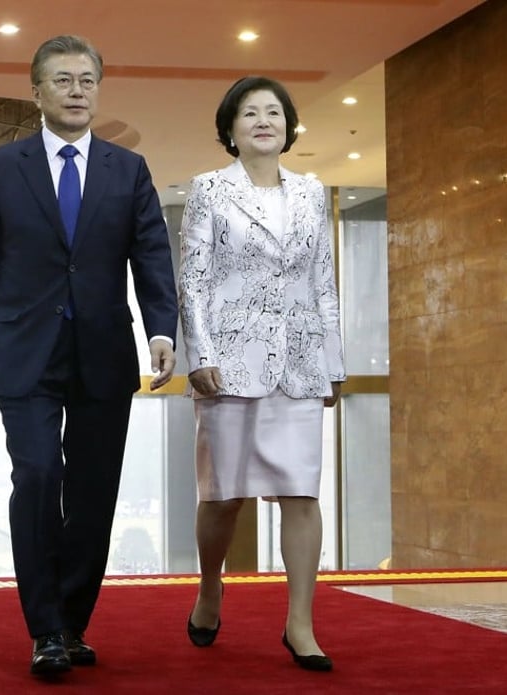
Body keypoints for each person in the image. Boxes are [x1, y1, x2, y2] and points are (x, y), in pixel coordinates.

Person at [0, 34, 178, 678]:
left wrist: (161, 328)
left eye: (87, 80)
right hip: (21, 350)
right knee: (39, 477)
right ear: (38, 91)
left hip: (104, 351)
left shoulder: (126, 169)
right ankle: (45, 627)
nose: (77, 91)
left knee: (91, 492)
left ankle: (72, 624)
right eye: (63, 80)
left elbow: (152, 255)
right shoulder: (2, 167)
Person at [177, 75, 345, 672]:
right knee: (223, 497)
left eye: (274, 112)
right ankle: (210, 585)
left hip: (299, 362)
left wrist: (334, 363)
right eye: (250, 113)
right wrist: (199, 354)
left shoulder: (312, 192)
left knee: (301, 491)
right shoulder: (209, 190)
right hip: (229, 362)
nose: (263, 121)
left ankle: (300, 622)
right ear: (231, 129)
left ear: (289, 126)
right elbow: (194, 277)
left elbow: (323, 281)